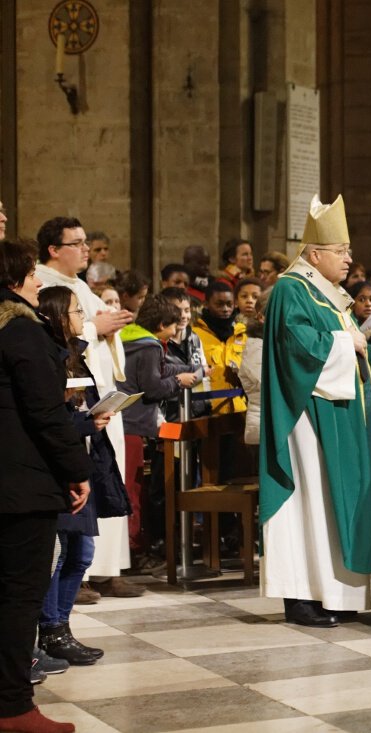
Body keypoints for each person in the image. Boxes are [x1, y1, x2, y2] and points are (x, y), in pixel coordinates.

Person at [258, 195, 371, 628]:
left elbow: (350, 354)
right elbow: (296, 348)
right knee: (311, 504)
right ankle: (303, 596)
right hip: (307, 421)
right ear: (315, 253)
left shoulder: (326, 293)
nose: (349, 259)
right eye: (341, 251)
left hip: (339, 413)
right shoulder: (291, 288)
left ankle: (335, 593)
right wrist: (350, 344)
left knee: (330, 504)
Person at [1, 238, 91, 733]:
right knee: (18, 596)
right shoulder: (21, 330)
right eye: (32, 274)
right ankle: (13, 708)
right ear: (14, 278)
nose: (39, 282)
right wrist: (76, 469)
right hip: (19, 483)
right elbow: (44, 412)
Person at [35, 218, 139, 597]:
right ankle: (75, 572)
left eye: (84, 242)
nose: (84, 249)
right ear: (53, 249)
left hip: (102, 397)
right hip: (73, 399)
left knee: (107, 476)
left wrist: (108, 325)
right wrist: (98, 326)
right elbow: (62, 334)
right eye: (76, 243)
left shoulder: (80, 285)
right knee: (81, 480)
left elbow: (94, 327)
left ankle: (107, 569)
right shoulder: (44, 283)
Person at [35, 287, 121, 667]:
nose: (80, 318)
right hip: (55, 466)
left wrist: (95, 416)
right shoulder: (44, 356)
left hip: (80, 459)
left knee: (81, 552)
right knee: (56, 553)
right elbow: (47, 417)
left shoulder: (77, 355)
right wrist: (87, 422)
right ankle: (50, 631)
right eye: (74, 311)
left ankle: (60, 627)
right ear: (56, 315)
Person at [119, 294, 200, 556]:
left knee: (130, 487)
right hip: (132, 425)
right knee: (132, 489)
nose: (177, 330)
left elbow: (158, 372)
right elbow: (153, 388)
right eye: (174, 326)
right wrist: (179, 382)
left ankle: (130, 547)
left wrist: (189, 369)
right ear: (161, 324)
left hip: (124, 423)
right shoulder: (150, 346)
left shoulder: (128, 339)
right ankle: (131, 549)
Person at [194, 280, 247, 414]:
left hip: (240, 409)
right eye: (219, 304)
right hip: (209, 411)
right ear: (206, 304)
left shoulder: (242, 334)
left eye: (229, 304)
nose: (225, 309)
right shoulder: (195, 335)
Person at [239, 290, 269, 446]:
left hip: (276, 423)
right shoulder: (256, 346)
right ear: (262, 317)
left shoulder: (272, 342)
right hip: (263, 425)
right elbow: (266, 382)